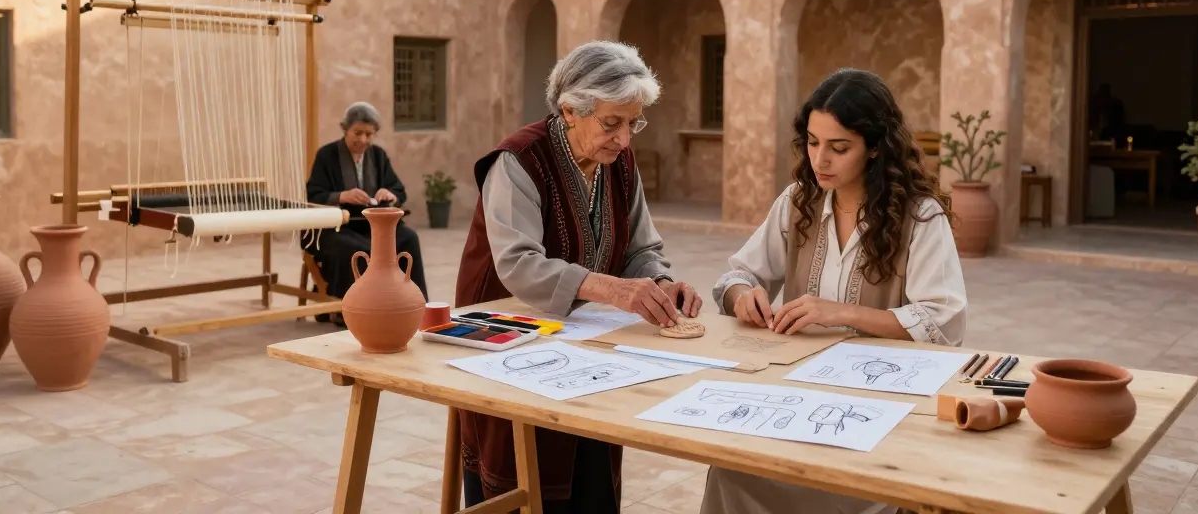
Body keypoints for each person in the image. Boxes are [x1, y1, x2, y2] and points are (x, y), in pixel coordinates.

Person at [700, 68, 967, 514]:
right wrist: (743, 295)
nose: (820, 159)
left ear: (876, 147)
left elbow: (943, 322)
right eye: (812, 142)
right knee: (730, 471)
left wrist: (843, 313)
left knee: (870, 498)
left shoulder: (920, 217)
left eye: (839, 147)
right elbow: (736, 276)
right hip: (796, 396)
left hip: (881, 411)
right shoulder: (797, 202)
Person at [454, 40, 703, 514]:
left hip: (581, 344)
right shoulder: (518, 162)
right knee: (522, 464)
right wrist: (611, 288)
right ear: (570, 110)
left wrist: (659, 284)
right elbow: (519, 263)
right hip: (507, 339)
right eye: (612, 123)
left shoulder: (619, 162)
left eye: (634, 123)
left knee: (589, 456)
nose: (625, 139)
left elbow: (640, 249)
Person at [305, 102, 428, 319]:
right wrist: (341, 196)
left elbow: (399, 190)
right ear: (345, 129)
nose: (363, 140)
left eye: (369, 134)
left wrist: (390, 194)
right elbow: (313, 195)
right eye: (358, 133)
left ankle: (412, 304)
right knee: (358, 249)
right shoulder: (327, 155)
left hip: (372, 226)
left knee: (408, 238)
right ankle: (355, 312)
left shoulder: (378, 155)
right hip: (336, 228)